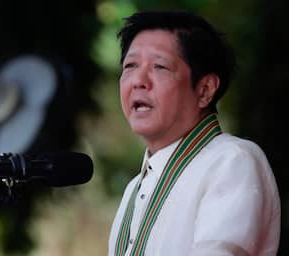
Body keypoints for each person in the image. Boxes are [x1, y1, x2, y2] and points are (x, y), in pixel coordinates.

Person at [108, 10, 280, 256]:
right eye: (130, 65)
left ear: (205, 90)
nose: (138, 80)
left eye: (160, 66)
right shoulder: (134, 188)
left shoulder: (232, 160)